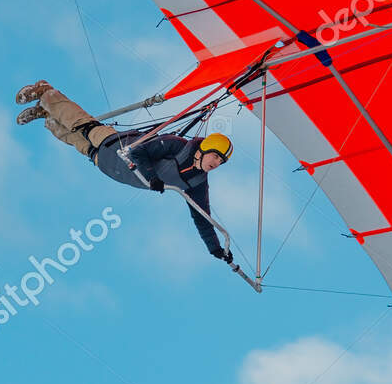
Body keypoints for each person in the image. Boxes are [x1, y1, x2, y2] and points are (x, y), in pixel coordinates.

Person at [15, 81, 235, 263]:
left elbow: (202, 217)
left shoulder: (196, 182)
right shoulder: (178, 146)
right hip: (116, 146)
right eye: (216, 156)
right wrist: (152, 177)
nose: (216, 163)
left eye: (221, 161)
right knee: (82, 124)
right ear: (206, 148)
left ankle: (46, 114)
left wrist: (215, 249)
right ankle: (46, 92)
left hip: (106, 164)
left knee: (71, 138)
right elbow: (140, 152)